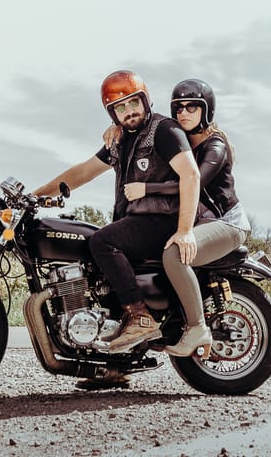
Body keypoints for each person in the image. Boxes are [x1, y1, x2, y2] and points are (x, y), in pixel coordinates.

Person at [33, 70, 200, 357]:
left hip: (162, 220)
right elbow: (83, 172)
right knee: (97, 270)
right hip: (136, 220)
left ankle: (140, 317)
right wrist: (35, 196)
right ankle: (110, 364)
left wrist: (184, 231)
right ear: (112, 114)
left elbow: (191, 175)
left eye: (133, 103)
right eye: (120, 108)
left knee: (101, 242)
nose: (129, 111)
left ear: (145, 101)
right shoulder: (121, 140)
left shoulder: (165, 130)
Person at [103, 78, 249, 357]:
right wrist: (119, 127)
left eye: (192, 107)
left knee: (175, 254)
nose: (184, 113)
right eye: (178, 107)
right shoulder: (179, 142)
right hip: (201, 221)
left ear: (207, 110)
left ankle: (197, 327)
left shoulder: (215, 146)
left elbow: (192, 181)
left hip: (225, 223)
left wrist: (146, 188)